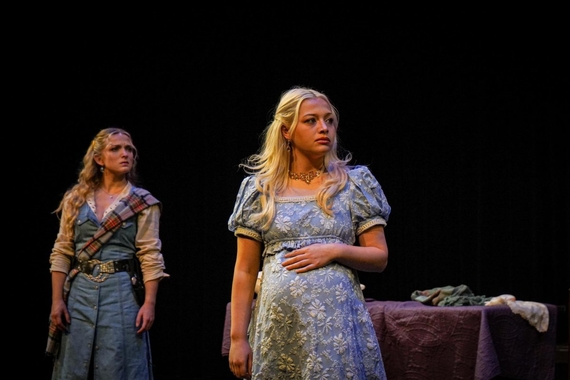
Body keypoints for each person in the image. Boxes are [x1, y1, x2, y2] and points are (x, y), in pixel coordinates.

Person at [228, 86, 391, 379]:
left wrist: (334, 250)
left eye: (329, 120)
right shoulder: (259, 190)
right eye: (311, 121)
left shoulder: (354, 184)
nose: (323, 128)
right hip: (280, 327)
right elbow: (245, 269)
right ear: (287, 131)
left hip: (337, 327)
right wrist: (238, 338)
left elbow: (379, 257)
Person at [46, 127, 169, 379]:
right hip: (79, 294)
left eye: (129, 149)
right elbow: (62, 251)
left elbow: (150, 255)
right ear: (99, 159)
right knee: (75, 363)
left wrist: (149, 303)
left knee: (119, 363)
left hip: (121, 294)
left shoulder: (143, 202)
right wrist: (57, 300)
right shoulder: (76, 200)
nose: (125, 154)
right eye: (116, 148)